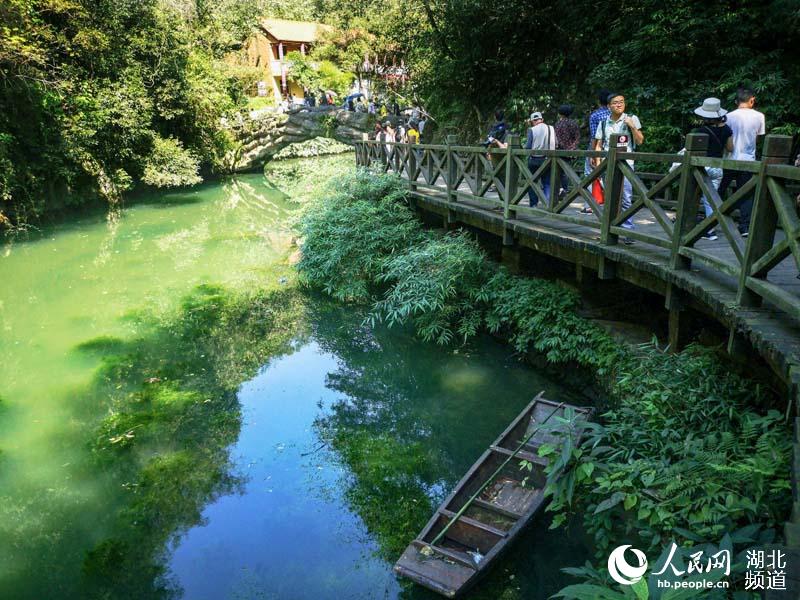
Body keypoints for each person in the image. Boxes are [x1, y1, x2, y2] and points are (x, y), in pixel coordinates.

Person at [591, 92, 644, 243]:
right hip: (608, 165)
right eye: (615, 102)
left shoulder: (631, 119)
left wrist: (633, 127)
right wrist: (598, 164)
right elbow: (599, 145)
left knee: (626, 198)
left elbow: (640, 141)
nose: (619, 104)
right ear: (609, 106)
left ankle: (628, 233)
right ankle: (607, 231)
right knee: (609, 198)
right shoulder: (603, 122)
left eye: (621, 101)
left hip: (626, 165)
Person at [717, 87, 765, 237]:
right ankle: (744, 226)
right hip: (748, 161)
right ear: (752, 100)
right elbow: (757, 138)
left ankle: (710, 221)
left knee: (718, 191)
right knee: (746, 194)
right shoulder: (759, 116)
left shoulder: (728, 116)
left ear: (736, 101)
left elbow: (724, 138)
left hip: (729, 160)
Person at [691, 98, 733, 241]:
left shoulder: (699, 131)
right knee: (711, 199)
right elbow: (730, 148)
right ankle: (710, 230)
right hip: (717, 167)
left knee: (692, 195)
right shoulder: (727, 129)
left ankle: (689, 225)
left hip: (702, 166)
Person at [582, 90, 611, 213]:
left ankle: (591, 205)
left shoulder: (595, 115)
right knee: (609, 175)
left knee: (590, 175)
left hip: (598, 148)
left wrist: (592, 155)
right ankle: (611, 205)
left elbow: (594, 136)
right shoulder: (615, 113)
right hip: (612, 148)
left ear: (599, 101)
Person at [525, 112, 556, 207]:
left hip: (534, 159)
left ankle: (533, 204)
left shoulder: (532, 130)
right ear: (542, 119)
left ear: (532, 121)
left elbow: (528, 147)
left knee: (532, 182)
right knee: (547, 183)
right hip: (548, 159)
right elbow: (556, 143)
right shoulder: (551, 128)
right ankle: (547, 204)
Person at [554, 104, 580, 196]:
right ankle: (566, 189)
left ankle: (561, 190)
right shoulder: (574, 123)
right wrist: (572, 149)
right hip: (571, 151)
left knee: (559, 171)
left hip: (559, 151)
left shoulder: (558, 124)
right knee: (567, 171)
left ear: (560, 114)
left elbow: (556, 139)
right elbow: (577, 138)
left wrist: (561, 147)